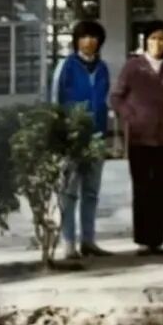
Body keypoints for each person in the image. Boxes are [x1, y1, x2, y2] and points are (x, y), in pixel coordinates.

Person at [109, 20, 163, 256]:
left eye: (162, 39)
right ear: (145, 41)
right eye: (153, 38)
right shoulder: (133, 67)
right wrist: (131, 116)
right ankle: (142, 240)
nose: (157, 43)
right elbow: (116, 97)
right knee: (142, 190)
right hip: (139, 139)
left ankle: (156, 241)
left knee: (160, 189)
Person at [51, 20, 112, 260]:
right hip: (72, 137)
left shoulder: (103, 68)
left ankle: (89, 241)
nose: (89, 41)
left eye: (94, 37)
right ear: (77, 40)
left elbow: (104, 101)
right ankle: (68, 243)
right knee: (69, 192)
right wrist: (59, 135)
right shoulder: (66, 66)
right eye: (84, 36)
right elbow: (54, 100)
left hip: (97, 138)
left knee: (91, 193)